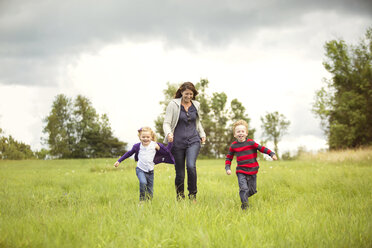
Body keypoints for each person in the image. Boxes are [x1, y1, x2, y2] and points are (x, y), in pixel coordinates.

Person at [163, 82, 206, 201]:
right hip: (177, 142)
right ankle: (180, 196)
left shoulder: (196, 105)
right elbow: (167, 122)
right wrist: (168, 133)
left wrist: (202, 134)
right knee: (180, 173)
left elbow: (197, 122)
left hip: (193, 140)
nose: (189, 96)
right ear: (181, 92)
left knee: (191, 166)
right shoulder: (173, 104)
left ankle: (193, 196)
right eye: (186, 94)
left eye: (191, 94)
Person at [225, 120, 278, 210]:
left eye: (242, 131)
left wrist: (271, 154)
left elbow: (262, 148)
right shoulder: (233, 146)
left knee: (252, 191)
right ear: (234, 134)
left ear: (246, 133)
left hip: (252, 171)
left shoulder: (251, 143)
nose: (240, 133)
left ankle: (244, 197)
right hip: (241, 171)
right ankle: (245, 207)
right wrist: (227, 168)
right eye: (238, 132)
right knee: (244, 189)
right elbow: (229, 158)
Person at [114, 127, 174, 201]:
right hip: (140, 169)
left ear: (151, 137)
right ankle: (142, 201)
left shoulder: (155, 145)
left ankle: (148, 204)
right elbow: (129, 153)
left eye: (148, 137)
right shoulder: (137, 146)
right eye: (143, 137)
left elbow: (166, 152)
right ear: (140, 137)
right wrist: (119, 161)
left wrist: (170, 142)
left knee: (150, 191)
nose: (145, 138)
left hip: (150, 172)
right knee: (143, 182)